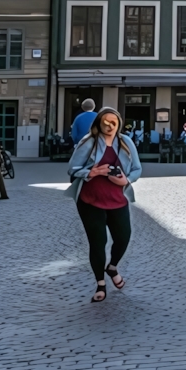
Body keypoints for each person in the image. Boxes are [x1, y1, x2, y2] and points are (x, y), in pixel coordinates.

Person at [68, 107, 142, 302]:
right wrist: (91, 172)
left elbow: (137, 169)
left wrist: (126, 180)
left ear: (118, 123)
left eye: (113, 122)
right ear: (99, 123)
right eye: (106, 122)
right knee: (97, 244)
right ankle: (100, 284)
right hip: (90, 201)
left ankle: (113, 267)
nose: (109, 126)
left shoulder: (125, 142)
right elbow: (72, 169)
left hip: (118, 200)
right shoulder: (88, 143)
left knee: (123, 238)